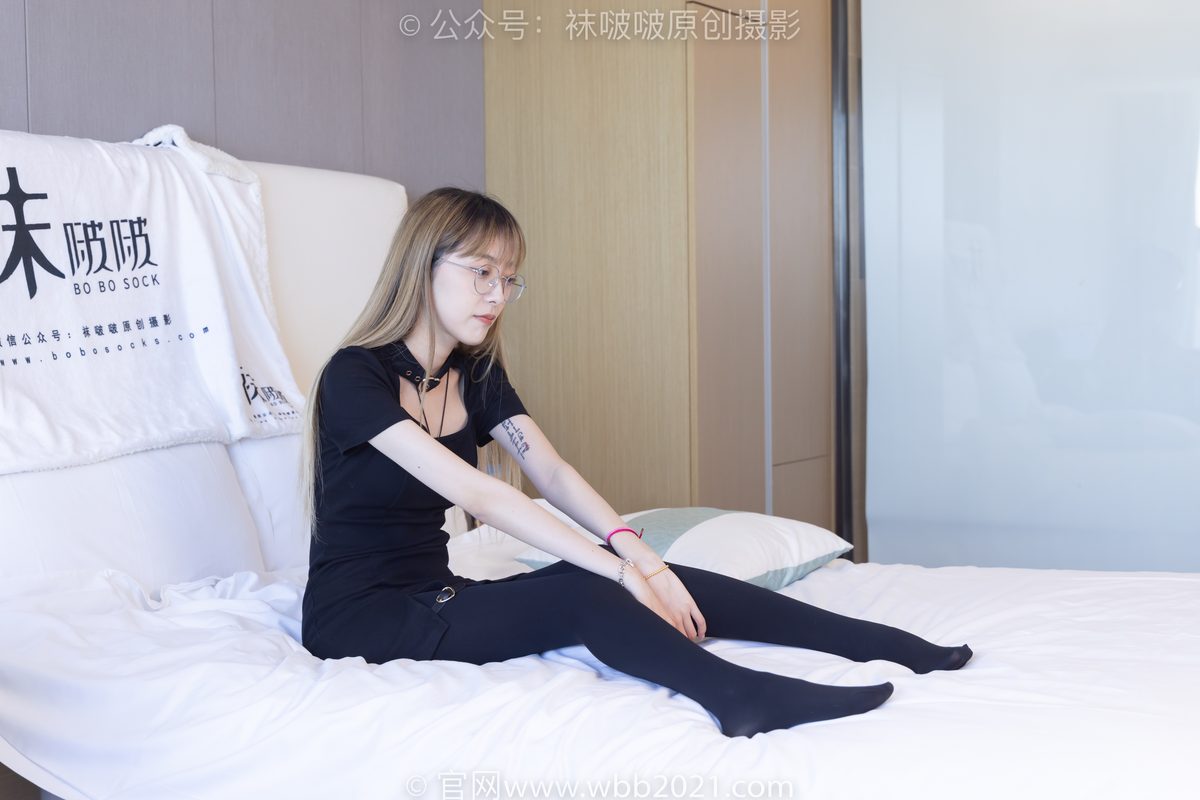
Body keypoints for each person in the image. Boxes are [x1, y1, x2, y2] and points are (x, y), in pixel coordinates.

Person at [299, 187, 972, 739]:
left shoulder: (472, 375)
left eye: (508, 279)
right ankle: (744, 699)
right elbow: (484, 497)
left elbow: (551, 473)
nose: (497, 295)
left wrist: (639, 556)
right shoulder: (354, 377)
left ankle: (875, 641)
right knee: (586, 589)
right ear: (424, 264)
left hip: (439, 593)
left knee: (644, 572)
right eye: (482, 273)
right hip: (361, 617)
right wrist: (620, 572)